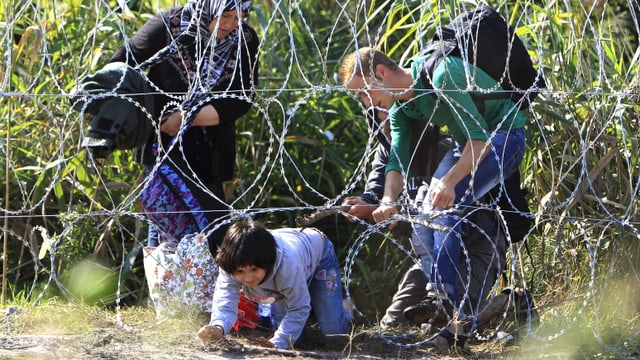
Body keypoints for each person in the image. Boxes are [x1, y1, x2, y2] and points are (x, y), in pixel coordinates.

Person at [339, 46, 528, 349]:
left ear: (381, 73)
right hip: (469, 142)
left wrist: (450, 182)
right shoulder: (404, 107)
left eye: (362, 93)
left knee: (444, 205)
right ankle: (443, 303)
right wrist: (387, 200)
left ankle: (441, 296)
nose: (364, 103)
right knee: (428, 211)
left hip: (502, 136)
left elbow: (479, 141)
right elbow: (396, 161)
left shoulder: (442, 74)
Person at [110, 0, 260, 250]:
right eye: (225, 15)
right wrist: (140, 115)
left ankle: (207, 287)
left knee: (214, 231)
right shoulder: (169, 26)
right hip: (162, 144)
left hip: (210, 148)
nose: (231, 24)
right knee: (166, 225)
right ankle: (165, 287)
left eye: (239, 16)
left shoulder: (245, 38)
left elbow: (241, 98)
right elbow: (121, 67)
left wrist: (187, 117)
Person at [197, 219, 353, 349]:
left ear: (267, 262)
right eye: (240, 272)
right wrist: (218, 327)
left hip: (318, 256)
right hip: (282, 281)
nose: (248, 278)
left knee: (334, 334)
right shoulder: (230, 263)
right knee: (290, 338)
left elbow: (299, 307)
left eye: (253, 269)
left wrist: (276, 343)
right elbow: (225, 300)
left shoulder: (286, 265)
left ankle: (345, 308)